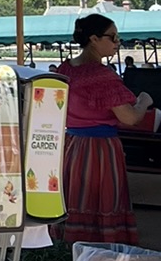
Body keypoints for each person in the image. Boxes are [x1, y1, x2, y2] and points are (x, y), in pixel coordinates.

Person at [52, 13, 155, 244]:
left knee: (75, 198)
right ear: (94, 39)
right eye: (113, 37)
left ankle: (69, 251)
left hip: (71, 146)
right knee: (103, 200)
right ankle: (101, 254)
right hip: (100, 150)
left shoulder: (65, 69)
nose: (118, 42)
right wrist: (144, 101)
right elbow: (129, 118)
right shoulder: (102, 76)